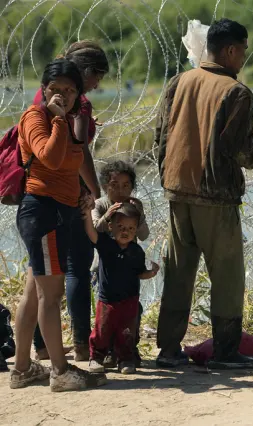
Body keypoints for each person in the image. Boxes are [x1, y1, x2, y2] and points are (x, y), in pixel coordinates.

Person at [154, 18, 253, 368]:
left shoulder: (179, 82)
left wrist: (168, 177)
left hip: (177, 191)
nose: (244, 59)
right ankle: (225, 352)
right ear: (231, 50)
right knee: (227, 277)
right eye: (244, 51)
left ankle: (168, 350)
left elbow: (160, 137)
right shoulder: (235, 92)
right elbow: (244, 152)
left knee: (178, 274)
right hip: (214, 196)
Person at [10, 59, 107, 391]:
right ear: (44, 90)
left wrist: (85, 194)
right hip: (44, 213)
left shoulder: (72, 120)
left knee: (34, 293)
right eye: (56, 89)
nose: (63, 96)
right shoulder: (35, 118)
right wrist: (61, 121)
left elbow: (71, 164)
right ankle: (61, 372)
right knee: (51, 296)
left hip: (59, 209)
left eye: (70, 90)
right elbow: (49, 158)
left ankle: (22, 370)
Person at [32, 41, 109, 362]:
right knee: (78, 264)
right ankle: (80, 344)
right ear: (85, 73)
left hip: (37, 192)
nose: (97, 85)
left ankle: (41, 346)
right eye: (97, 77)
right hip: (69, 191)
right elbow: (79, 150)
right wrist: (96, 193)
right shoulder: (79, 104)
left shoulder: (43, 95)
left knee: (40, 274)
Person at [81, 201, 159, 374]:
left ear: (136, 230)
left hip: (129, 300)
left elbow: (140, 273)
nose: (126, 232)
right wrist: (87, 214)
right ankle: (96, 358)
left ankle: (125, 360)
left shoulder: (136, 251)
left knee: (126, 333)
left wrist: (151, 273)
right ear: (110, 226)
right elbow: (92, 233)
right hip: (107, 300)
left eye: (131, 229)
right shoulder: (106, 245)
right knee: (102, 331)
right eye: (121, 227)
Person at [92, 160, 150, 367]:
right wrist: (107, 217)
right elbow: (94, 232)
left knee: (133, 309)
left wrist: (139, 213)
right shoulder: (100, 205)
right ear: (105, 186)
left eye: (126, 185)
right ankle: (107, 351)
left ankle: (128, 348)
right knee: (107, 313)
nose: (120, 190)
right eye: (114, 185)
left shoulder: (134, 206)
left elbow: (143, 235)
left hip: (129, 269)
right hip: (105, 269)